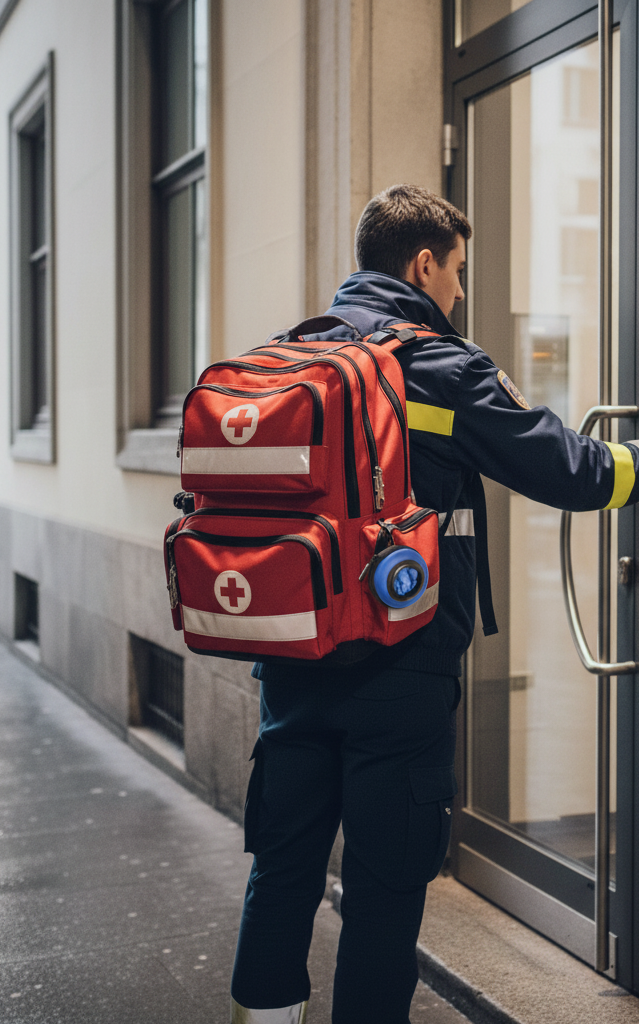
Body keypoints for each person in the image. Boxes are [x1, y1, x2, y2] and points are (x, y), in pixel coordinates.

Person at [229, 184, 639, 1024]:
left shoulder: (290, 355)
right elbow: (575, 473)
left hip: (293, 658)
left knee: (282, 870)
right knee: (383, 892)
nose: (457, 291)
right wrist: (628, 458)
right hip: (400, 665)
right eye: (456, 272)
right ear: (423, 263)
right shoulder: (442, 364)